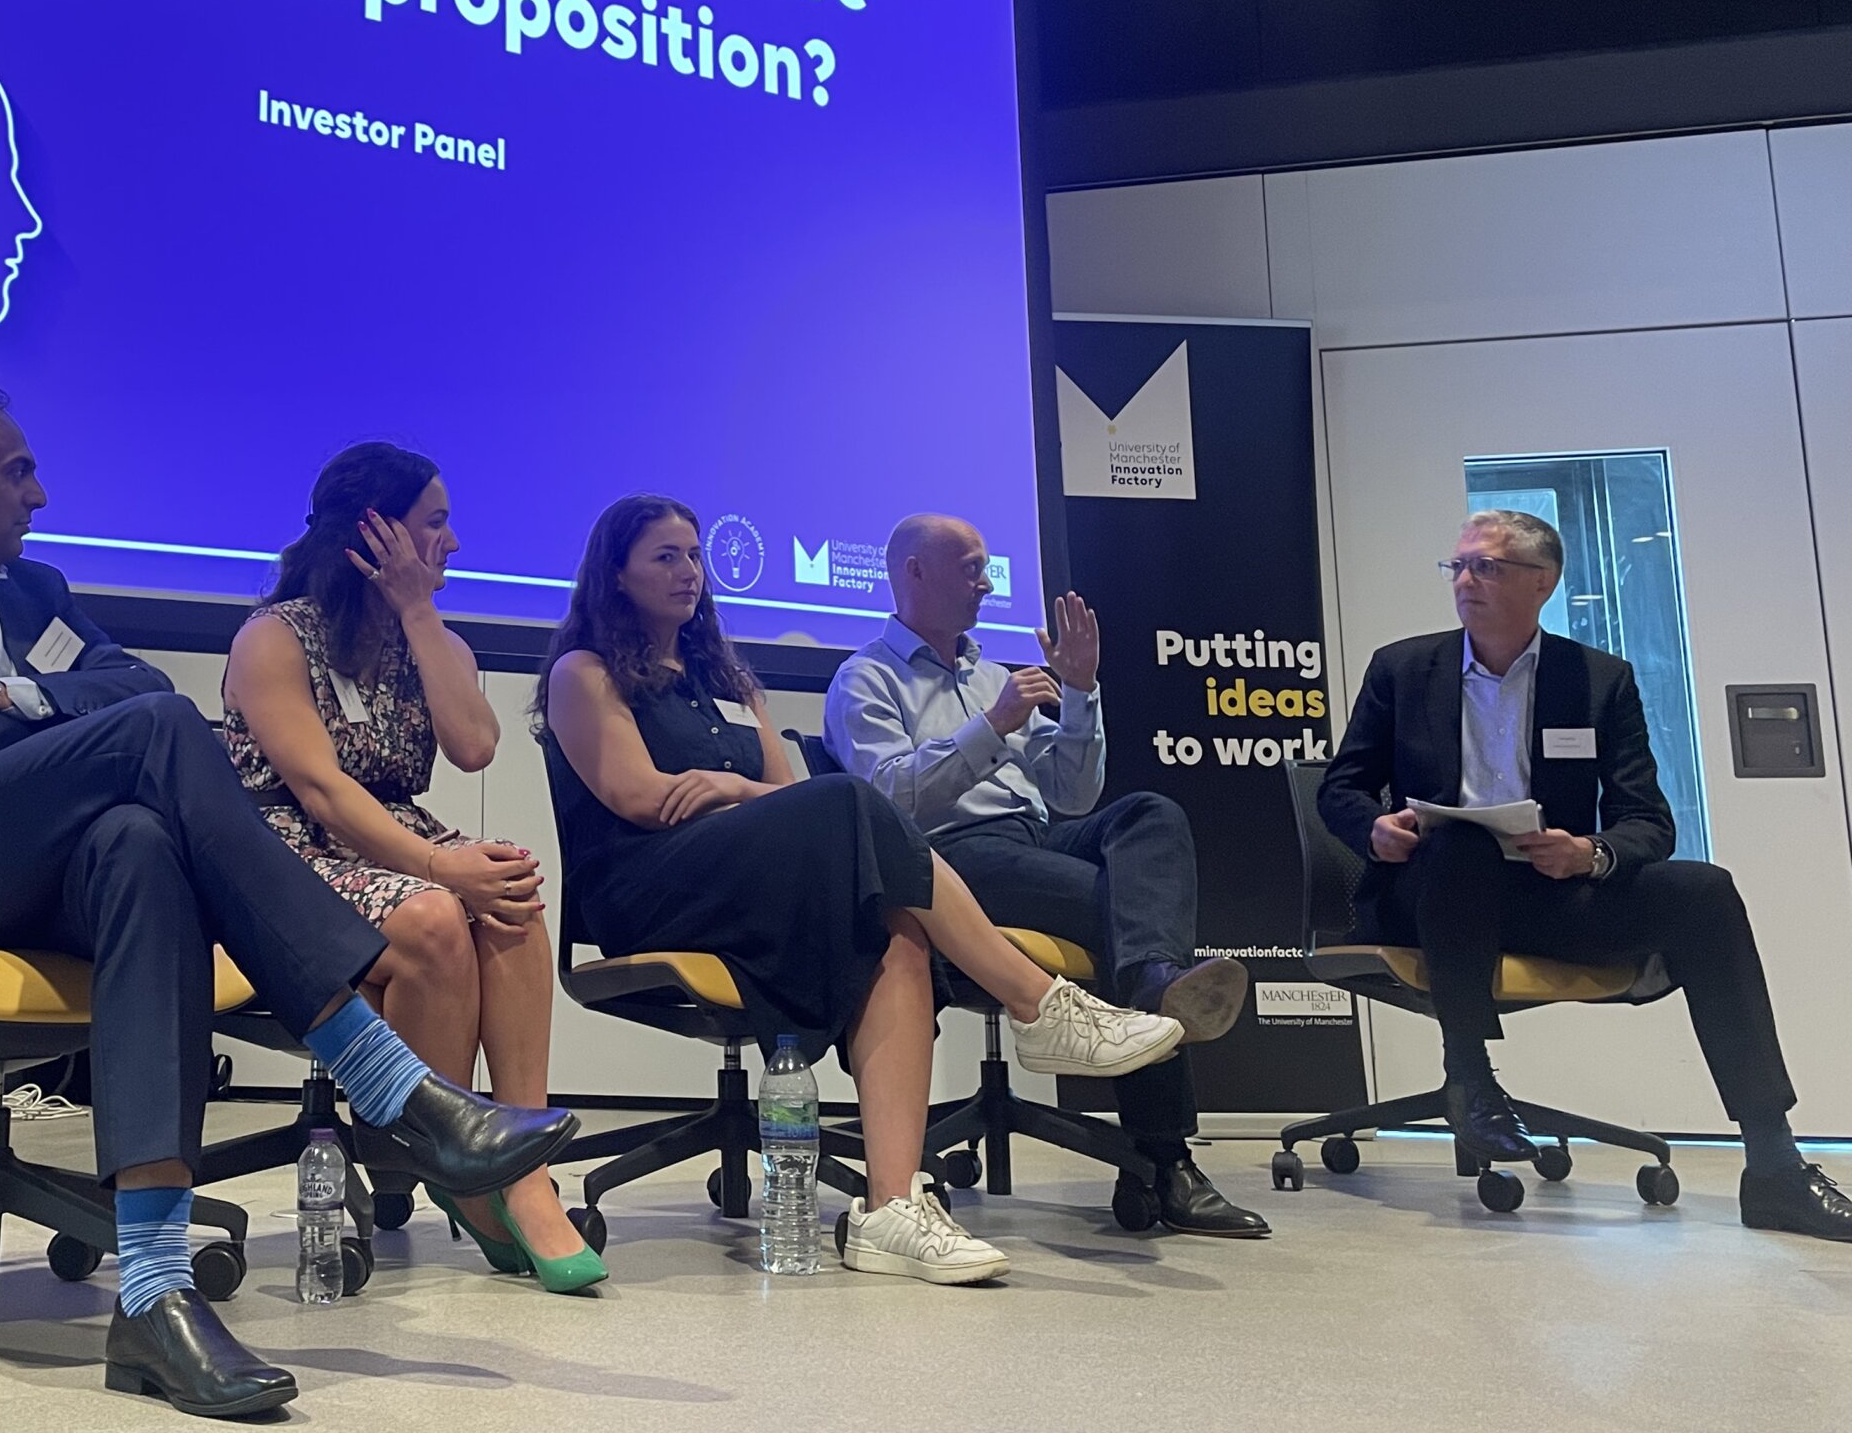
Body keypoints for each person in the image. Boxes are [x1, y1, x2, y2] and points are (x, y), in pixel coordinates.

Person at [0, 386, 578, 1415]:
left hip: (39, 873)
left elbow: (122, 682)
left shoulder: (31, 594)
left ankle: (153, 1298)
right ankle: (384, 1075)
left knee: (138, 841)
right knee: (167, 731)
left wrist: (6, 695)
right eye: (17, 473)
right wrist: (38, 725)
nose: (38, 496)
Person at [537, 494, 1187, 1287]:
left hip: (742, 878)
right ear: (616, 573)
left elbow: (774, 787)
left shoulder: (729, 679)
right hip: (650, 888)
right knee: (853, 798)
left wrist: (728, 788)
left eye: (695, 555)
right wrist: (740, 792)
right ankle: (1038, 1005)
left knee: (895, 931)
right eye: (664, 557)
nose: (689, 573)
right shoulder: (585, 671)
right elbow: (641, 797)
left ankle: (890, 1206)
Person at [1318, 508, 1852, 1242]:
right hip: (1430, 893)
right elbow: (1340, 789)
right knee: (1464, 845)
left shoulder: (1598, 681)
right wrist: (1372, 830)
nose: (1465, 580)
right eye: (1458, 566)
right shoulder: (1405, 668)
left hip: (1544, 895)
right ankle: (1469, 1077)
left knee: (1705, 890)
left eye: (1486, 566)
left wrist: (1590, 853)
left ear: (1541, 583)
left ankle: (1774, 1166)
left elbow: (1648, 823)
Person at [224, 444, 604, 1293]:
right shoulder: (272, 637)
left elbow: (473, 747)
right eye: (436, 523)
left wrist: (418, 613)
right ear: (376, 531)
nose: (454, 544)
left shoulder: (430, 640)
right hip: (288, 853)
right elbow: (320, 793)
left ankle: (518, 1165)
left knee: (506, 891)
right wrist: (441, 866)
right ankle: (460, 1161)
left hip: (399, 834)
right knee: (437, 912)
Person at [825, 513, 1268, 1239]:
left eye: (987, 567)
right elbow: (884, 801)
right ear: (914, 573)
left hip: (1038, 837)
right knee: (1118, 910)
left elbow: (1073, 793)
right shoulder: (865, 678)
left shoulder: (992, 672)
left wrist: (1083, 691)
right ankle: (1166, 1161)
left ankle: (1155, 979)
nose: (987, 583)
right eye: (970, 568)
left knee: (1149, 814)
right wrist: (990, 727)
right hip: (948, 861)